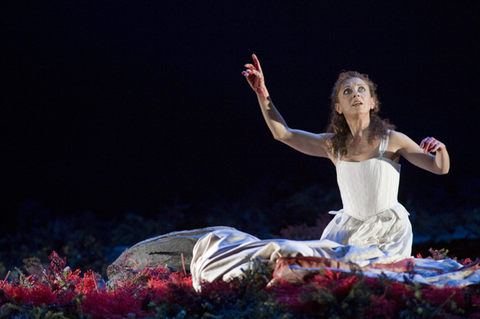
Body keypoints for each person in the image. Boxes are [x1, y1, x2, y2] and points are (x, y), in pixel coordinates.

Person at [241, 54, 450, 257]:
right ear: (338, 107)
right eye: (348, 91)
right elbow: (283, 133)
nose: (356, 94)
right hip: (347, 232)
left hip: (388, 233)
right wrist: (262, 93)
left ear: (372, 102)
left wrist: (440, 150)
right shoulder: (332, 145)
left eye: (361, 89)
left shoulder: (393, 140)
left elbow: (439, 168)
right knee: (298, 259)